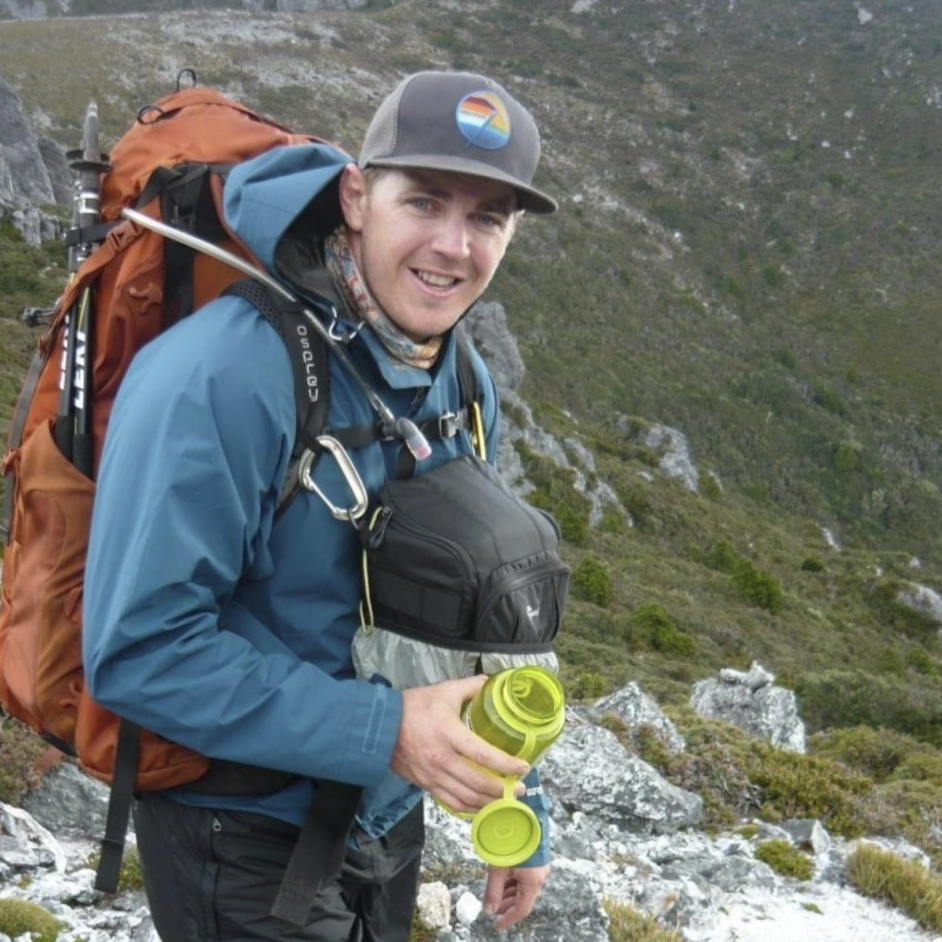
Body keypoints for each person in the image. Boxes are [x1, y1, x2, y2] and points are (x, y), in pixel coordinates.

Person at [83, 70, 559, 942]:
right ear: (355, 195)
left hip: (381, 811)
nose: (454, 245)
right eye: (424, 200)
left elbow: (470, 622)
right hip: (239, 827)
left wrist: (517, 801)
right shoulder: (222, 375)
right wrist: (386, 731)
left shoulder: (461, 377)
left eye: (488, 217)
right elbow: (137, 654)